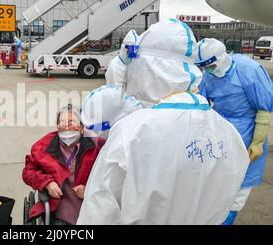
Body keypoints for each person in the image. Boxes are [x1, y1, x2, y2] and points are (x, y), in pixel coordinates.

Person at [77, 20, 250, 225]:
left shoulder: (132, 132)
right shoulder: (229, 134)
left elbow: (97, 212)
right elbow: (232, 198)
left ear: (146, 68)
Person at [196, 38, 273, 224]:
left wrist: (257, 142)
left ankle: (228, 217)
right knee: (218, 180)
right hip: (220, 131)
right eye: (203, 68)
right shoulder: (209, 74)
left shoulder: (250, 70)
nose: (208, 71)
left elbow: (264, 108)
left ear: (222, 58)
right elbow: (201, 100)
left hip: (247, 132)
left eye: (211, 66)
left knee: (241, 182)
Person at [22, 105, 105, 225]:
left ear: (82, 128)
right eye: (62, 123)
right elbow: (28, 172)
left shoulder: (97, 146)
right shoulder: (43, 147)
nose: (66, 127)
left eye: (71, 123)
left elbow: (110, 176)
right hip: (61, 211)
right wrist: (47, 183)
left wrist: (89, 190)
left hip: (92, 209)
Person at [81, 30, 142, 139]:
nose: (132, 54)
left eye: (135, 51)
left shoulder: (133, 64)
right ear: (124, 49)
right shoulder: (116, 66)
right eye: (130, 50)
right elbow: (117, 95)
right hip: (116, 108)